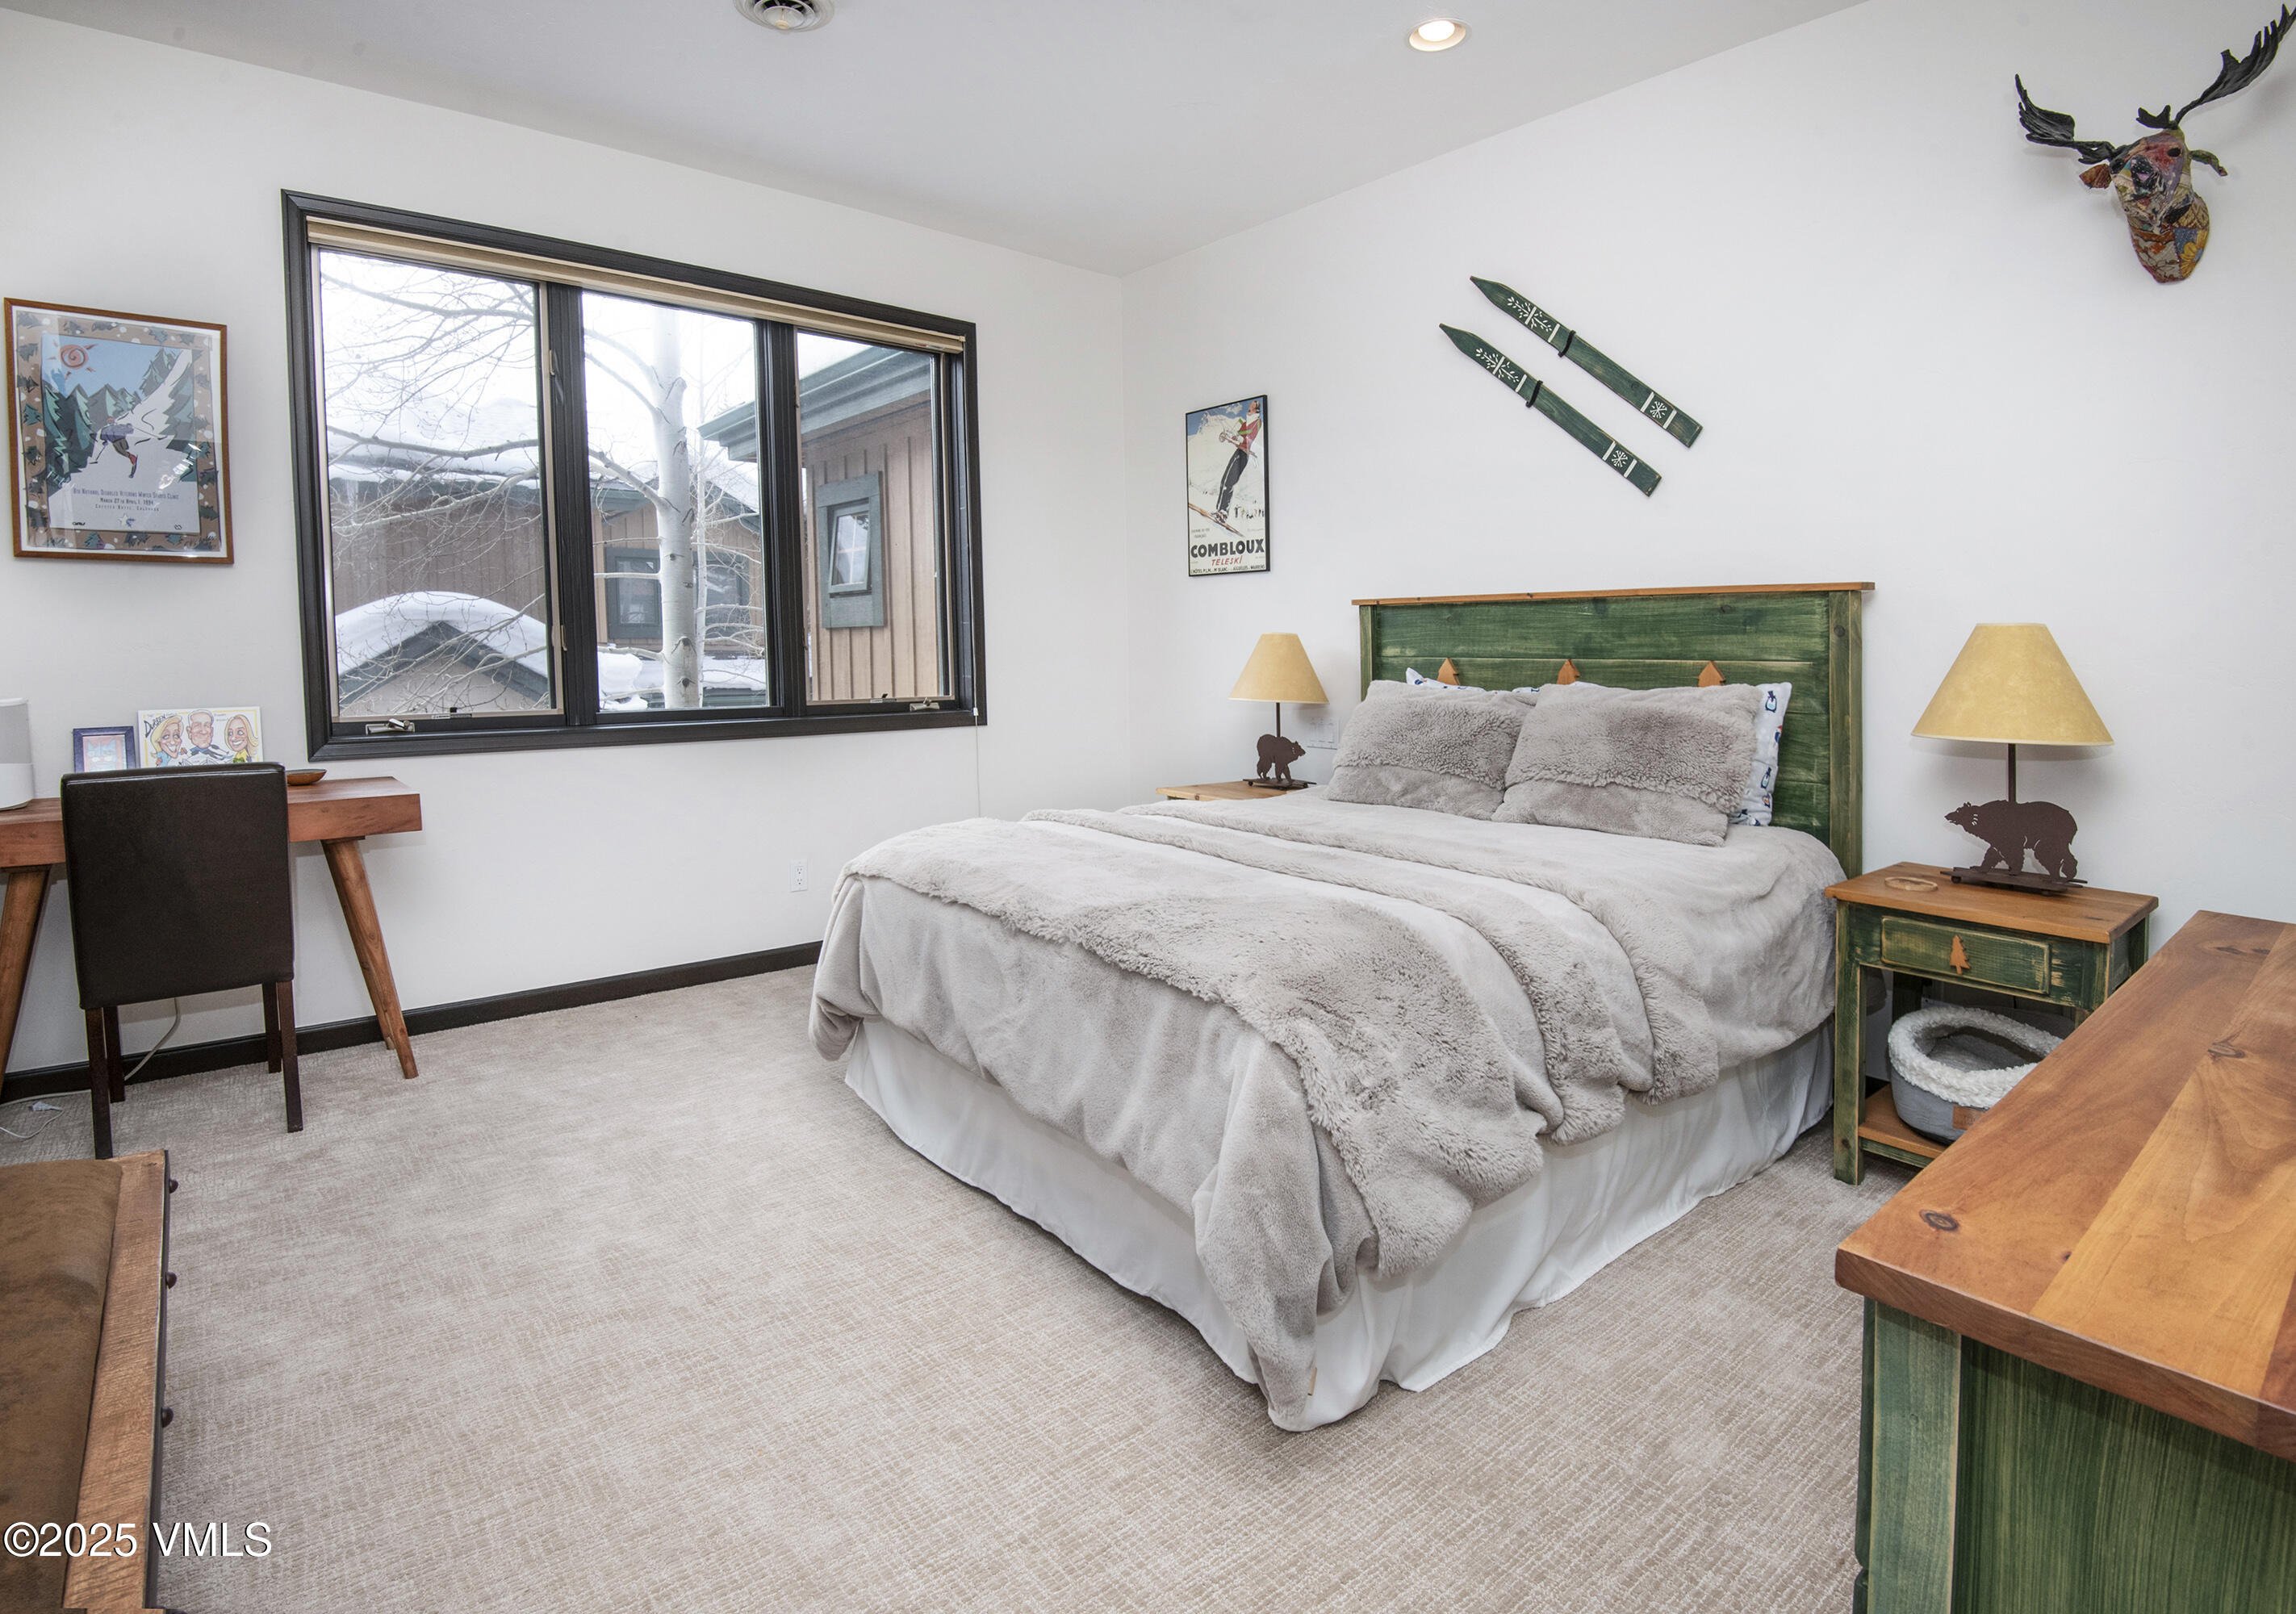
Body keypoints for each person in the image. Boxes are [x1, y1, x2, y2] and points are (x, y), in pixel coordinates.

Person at [1213, 400, 1261, 522]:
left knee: (1229, 482)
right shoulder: (1245, 423)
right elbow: (1238, 438)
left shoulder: (1257, 422)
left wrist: (1238, 439)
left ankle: (1223, 512)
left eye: (1252, 407)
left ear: (1257, 410)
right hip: (1239, 452)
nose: (1249, 409)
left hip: (1244, 454)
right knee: (1225, 480)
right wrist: (1230, 437)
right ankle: (1220, 510)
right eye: (1250, 407)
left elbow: (1248, 439)